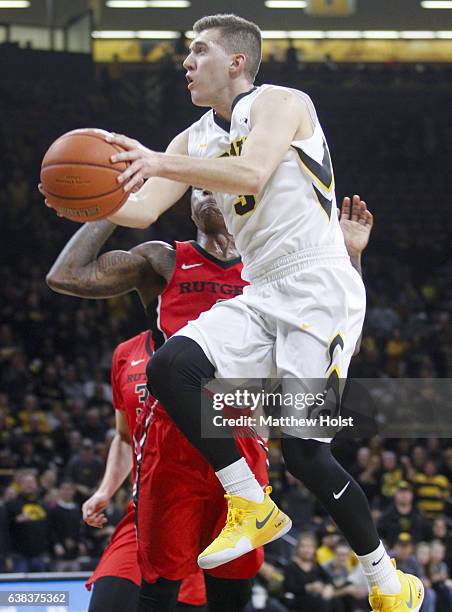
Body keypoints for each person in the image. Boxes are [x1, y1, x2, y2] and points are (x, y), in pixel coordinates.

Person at [74, 13, 424, 611]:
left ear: (236, 61)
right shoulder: (190, 139)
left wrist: (156, 162)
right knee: (171, 368)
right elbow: (137, 213)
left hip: (319, 285)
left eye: (198, 51)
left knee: (306, 453)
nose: (186, 62)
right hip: (260, 291)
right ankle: (251, 502)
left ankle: (388, 580)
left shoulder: (285, 102)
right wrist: (89, 192)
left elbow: (251, 173)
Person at [47, 188, 269, 611]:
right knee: (157, 590)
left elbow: (335, 330)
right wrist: (116, 204)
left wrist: (351, 257)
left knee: (232, 594)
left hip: (239, 438)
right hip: (170, 445)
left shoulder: (266, 267)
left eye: (217, 186)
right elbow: (66, 276)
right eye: (197, 187)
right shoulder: (164, 260)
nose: (206, 194)